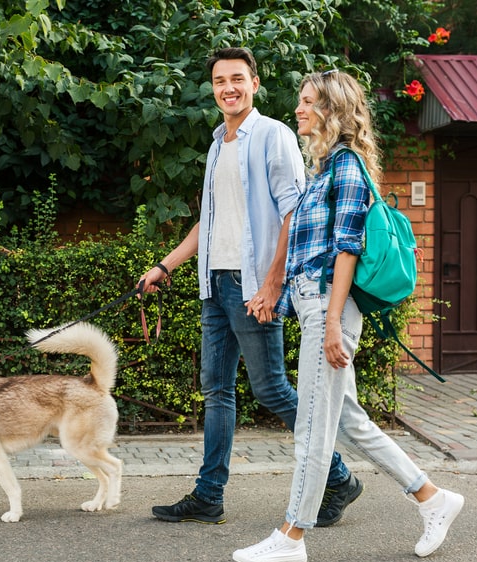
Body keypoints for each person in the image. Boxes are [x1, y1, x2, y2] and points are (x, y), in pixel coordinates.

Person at [231, 70, 464, 562]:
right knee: (350, 422)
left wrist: (332, 321)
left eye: (309, 101)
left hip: (328, 309)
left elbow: (347, 250)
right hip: (315, 306)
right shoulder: (324, 171)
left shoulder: (348, 169)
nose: (299, 109)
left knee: (312, 427)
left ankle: (292, 535)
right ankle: (432, 498)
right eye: (300, 100)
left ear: (333, 112)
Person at [138, 48, 363, 526]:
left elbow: (293, 212)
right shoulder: (219, 142)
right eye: (220, 81)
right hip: (215, 284)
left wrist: (271, 284)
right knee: (216, 390)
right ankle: (208, 495)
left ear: (254, 83)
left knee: (272, 389)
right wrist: (166, 264)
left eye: (237, 78)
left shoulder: (273, 136)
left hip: (252, 284)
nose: (228, 88)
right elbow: (210, 220)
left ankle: (339, 477)